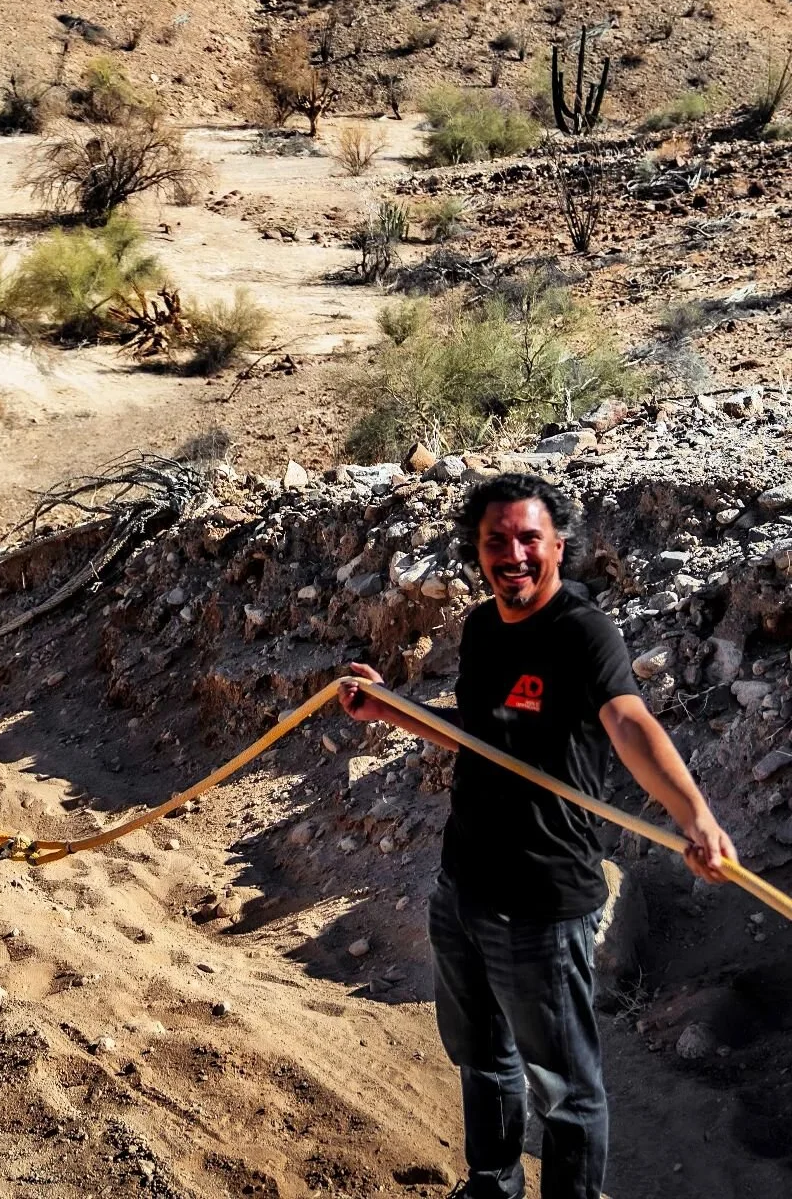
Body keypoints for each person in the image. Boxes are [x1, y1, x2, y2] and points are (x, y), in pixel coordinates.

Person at [338, 472, 735, 1199]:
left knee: (565, 1090)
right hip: (464, 888)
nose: (512, 554)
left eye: (528, 538)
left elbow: (628, 721)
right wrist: (391, 709)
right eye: (496, 541)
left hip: (544, 904)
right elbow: (482, 736)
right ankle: (491, 1185)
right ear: (478, 550)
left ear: (559, 545)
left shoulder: (580, 631)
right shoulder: (483, 628)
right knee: (480, 1057)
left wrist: (694, 816)